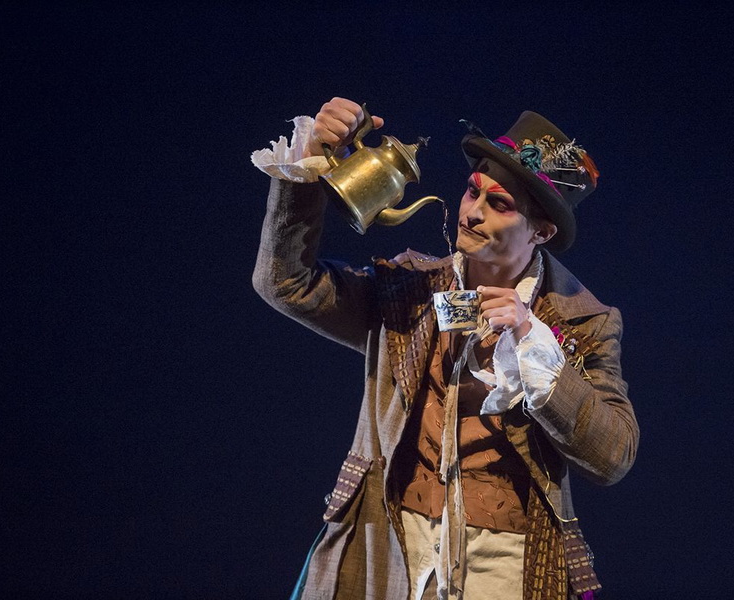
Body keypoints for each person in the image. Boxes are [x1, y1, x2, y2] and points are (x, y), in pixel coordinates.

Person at [251, 97, 639, 600]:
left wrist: (533, 344)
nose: (473, 213)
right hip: (390, 543)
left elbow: (612, 457)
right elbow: (285, 284)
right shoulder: (408, 288)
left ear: (541, 231)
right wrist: (312, 164)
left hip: (502, 564)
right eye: (473, 191)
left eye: (499, 205)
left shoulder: (581, 319)